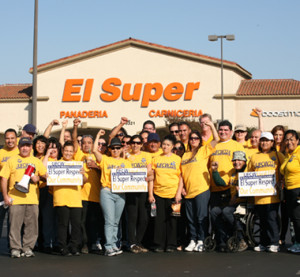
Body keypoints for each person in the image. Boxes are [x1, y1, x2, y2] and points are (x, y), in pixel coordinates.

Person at [0, 137, 47, 258]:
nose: (25, 148)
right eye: (22, 146)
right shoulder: (12, 160)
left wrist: (39, 178)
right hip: (15, 199)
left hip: (32, 199)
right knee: (15, 226)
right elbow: (4, 178)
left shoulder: (36, 161)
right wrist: (5, 196)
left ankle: (28, 248)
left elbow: (46, 176)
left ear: (31, 147)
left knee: (31, 226)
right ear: (19, 147)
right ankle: (15, 248)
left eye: (27, 145)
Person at [182, 121, 218, 252]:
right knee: (190, 218)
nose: (193, 140)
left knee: (201, 217)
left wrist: (211, 125)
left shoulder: (203, 151)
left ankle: (202, 239)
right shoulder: (185, 155)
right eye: (191, 138)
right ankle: (193, 239)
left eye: (196, 138)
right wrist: (183, 188)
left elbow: (216, 139)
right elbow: (182, 174)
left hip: (201, 189)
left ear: (200, 140)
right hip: (189, 191)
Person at [93, 130, 131, 257]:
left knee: (116, 221)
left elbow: (131, 178)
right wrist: (98, 136)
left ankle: (114, 244)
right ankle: (108, 246)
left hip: (120, 194)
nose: (115, 150)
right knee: (109, 220)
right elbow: (94, 151)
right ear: (109, 149)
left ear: (121, 149)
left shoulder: (126, 163)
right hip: (107, 192)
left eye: (117, 148)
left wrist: (124, 171)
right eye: (113, 148)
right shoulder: (105, 159)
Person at [209, 120, 244, 251]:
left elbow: (242, 165)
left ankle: (237, 238)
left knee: (227, 214)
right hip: (215, 187)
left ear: (231, 132)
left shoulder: (236, 145)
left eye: (225, 130)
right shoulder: (213, 145)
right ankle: (221, 241)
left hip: (231, 188)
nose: (223, 132)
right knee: (215, 215)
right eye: (221, 130)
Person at [247, 132, 284, 253]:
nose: (264, 143)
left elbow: (284, 170)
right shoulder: (254, 156)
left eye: (267, 140)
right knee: (262, 221)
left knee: (271, 219)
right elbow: (248, 174)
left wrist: (281, 181)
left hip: (273, 195)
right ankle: (263, 243)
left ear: (272, 142)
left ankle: (274, 243)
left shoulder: (277, 155)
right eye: (262, 140)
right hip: (258, 196)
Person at [148, 135, 183, 252]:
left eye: (168, 145)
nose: (165, 147)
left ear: (172, 147)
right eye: (164, 144)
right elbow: (151, 177)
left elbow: (181, 177)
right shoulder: (156, 159)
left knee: (173, 220)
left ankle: (171, 245)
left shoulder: (178, 159)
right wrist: (151, 194)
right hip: (158, 193)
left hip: (173, 194)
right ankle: (159, 244)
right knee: (159, 220)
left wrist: (178, 194)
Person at [51, 141, 87, 256]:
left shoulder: (77, 164)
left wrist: (83, 175)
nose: (68, 153)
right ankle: (62, 247)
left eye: (70, 151)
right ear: (62, 151)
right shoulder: (56, 164)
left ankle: (74, 246)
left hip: (75, 198)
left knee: (76, 224)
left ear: (74, 152)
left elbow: (85, 181)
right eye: (66, 150)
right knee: (63, 224)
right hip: (61, 198)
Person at [211, 151, 249, 252]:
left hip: (245, 202)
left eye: (239, 160)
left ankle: (241, 237)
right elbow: (222, 183)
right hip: (233, 202)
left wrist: (238, 194)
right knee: (214, 211)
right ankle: (224, 236)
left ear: (244, 161)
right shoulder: (232, 172)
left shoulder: (248, 171)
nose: (237, 162)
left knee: (227, 211)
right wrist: (215, 171)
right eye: (235, 160)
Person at [125, 135, 152, 253]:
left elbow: (150, 173)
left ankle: (138, 242)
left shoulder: (146, 156)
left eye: (138, 143)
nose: (135, 145)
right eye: (133, 143)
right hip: (130, 190)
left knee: (144, 218)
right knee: (132, 217)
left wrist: (150, 193)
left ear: (141, 144)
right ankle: (131, 243)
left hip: (143, 190)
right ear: (130, 144)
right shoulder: (126, 155)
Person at [280, 130, 300, 253]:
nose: (289, 142)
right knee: (294, 218)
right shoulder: (288, 155)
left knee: (298, 218)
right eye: (287, 139)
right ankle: (297, 242)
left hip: (298, 189)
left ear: (297, 140)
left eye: (292, 139)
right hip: (289, 190)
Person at [0, 129, 19, 244]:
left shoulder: (22, 151)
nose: (10, 140)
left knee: (14, 222)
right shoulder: (1, 152)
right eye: (7, 138)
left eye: (12, 138)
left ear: (16, 139)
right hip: (2, 192)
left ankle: (12, 246)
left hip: (17, 192)